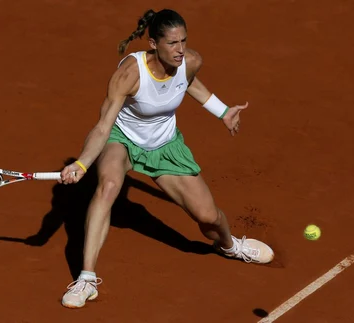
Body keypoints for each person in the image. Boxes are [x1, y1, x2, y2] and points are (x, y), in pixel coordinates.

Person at [57, 8, 274, 309]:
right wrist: (82, 163)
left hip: (165, 145)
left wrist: (223, 112)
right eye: (172, 43)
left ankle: (229, 245)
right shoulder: (129, 74)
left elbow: (189, 83)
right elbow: (103, 125)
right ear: (153, 43)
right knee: (107, 187)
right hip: (123, 140)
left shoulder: (190, 61)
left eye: (183, 41)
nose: (180, 49)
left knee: (208, 217)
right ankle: (87, 279)